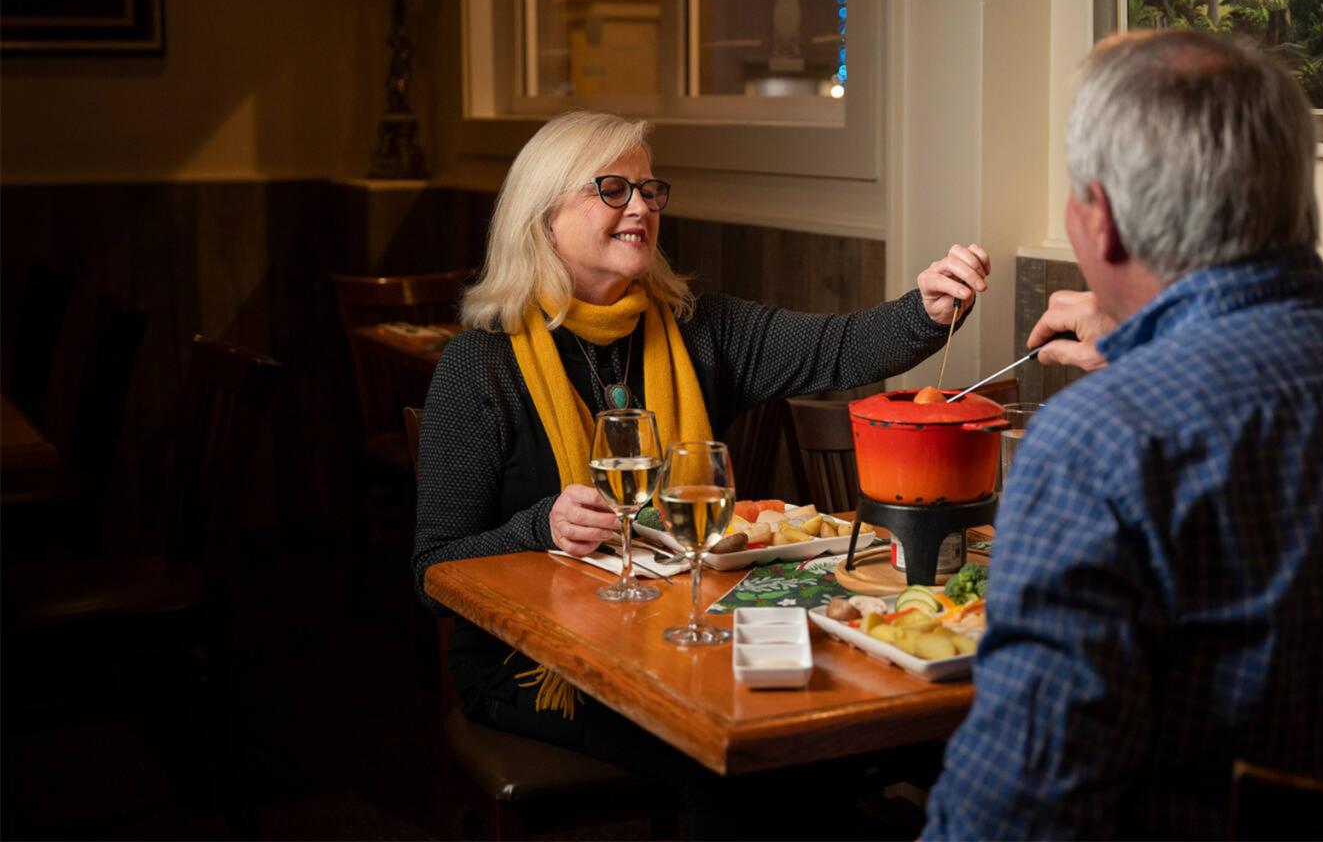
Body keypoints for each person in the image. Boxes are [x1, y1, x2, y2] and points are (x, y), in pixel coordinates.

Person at [924, 30, 1323, 840]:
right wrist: (1146, 344)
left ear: (1100, 222)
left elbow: (1009, 824)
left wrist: (1150, 377)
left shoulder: (1099, 447)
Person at [412, 110, 990, 793]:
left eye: (649, 191)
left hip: (677, 632)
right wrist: (539, 527)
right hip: (537, 663)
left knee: (814, 744)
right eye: (612, 189)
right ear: (542, 218)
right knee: (741, 763)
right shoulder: (480, 364)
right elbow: (434, 569)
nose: (640, 209)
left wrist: (924, 310)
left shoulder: (699, 328)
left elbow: (838, 346)